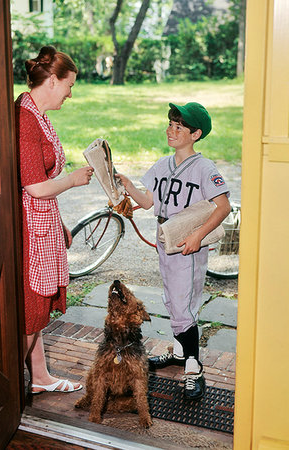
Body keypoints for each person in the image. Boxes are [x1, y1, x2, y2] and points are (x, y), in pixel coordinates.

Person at [116, 102, 231, 400]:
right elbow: (146, 202)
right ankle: (180, 353)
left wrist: (198, 235)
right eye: (170, 123)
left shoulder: (205, 168)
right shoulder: (162, 164)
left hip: (188, 242)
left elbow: (223, 207)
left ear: (196, 134)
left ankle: (194, 367)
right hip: (166, 236)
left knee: (183, 305)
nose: (171, 130)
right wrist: (128, 185)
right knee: (171, 298)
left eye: (179, 126)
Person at [15, 45, 94, 394]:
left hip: (42, 220)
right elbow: (33, 186)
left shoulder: (38, 113)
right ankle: (25, 380)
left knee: (35, 305)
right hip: (29, 224)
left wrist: (59, 223)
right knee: (31, 304)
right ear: (52, 81)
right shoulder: (26, 119)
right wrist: (72, 180)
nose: (71, 93)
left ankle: (39, 376)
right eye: (69, 85)